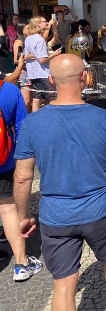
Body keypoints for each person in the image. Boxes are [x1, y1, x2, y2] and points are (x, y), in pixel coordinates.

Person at [14, 54, 106, 311]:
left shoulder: (32, 123)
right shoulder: (105, 119)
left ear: (51, 80)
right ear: (85, 78)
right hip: (100, 210)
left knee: (62, 284)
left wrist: (24, 214)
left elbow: (22, 177)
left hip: (56, 215)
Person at [0, 79, 43, 282]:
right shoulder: (8, 90)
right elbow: (22, 127)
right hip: (4, 162)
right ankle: (21, 263)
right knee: (8, 209)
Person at [24, 16, 62, 112]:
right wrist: (55, 55)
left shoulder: (28, 38)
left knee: (37, 99)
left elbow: (26, 56)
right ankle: (54, 119)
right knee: (53, 98)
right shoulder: (39, 40)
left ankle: (37, 120)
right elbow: (42, 60)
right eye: (45, 22)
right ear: (38, 24)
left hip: (33, 74)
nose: (47, 23)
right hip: (43, 74)